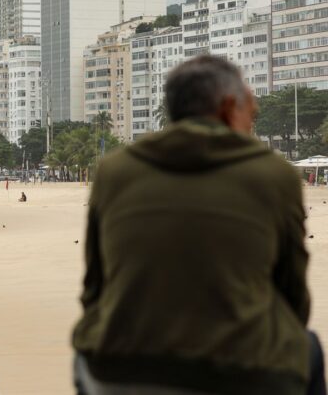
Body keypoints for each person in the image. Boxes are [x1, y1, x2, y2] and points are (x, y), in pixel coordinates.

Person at [73, 55, 324, 395]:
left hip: (121, 369)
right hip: (243, 373)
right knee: (307, 347)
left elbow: (94, 290)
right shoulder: (273, 173)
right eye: (250, 108)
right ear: (227, 107)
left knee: (87, 349)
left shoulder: (114, 170)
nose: (253, 118)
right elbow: (294, 297)